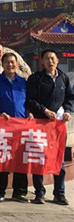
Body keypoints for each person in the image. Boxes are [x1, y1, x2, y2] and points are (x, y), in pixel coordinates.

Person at [26, 49, 73, 205]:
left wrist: (68, 111)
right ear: (42, 61)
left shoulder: (63, 78)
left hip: (58, 126)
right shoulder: (36, 78)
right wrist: (44, 110)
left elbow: (69, 98)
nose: (50, 61)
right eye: (47, 58)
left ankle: (59, 193)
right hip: (40, 124)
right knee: (39, 159)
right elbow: (30, 100)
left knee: (59, 159)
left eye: (52, 58)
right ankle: (39, 193)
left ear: (57, 60)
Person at [0, 52, 30, 203]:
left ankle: (20, 193)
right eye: (7, 62)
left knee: (20, 160)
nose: (10, 65)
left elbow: (29, 101)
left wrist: (29, 113)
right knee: (2, 159)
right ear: (2, 65)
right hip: (3, 128)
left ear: (17, 64)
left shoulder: (23, 82)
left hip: (21, 127)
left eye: (12, 62)